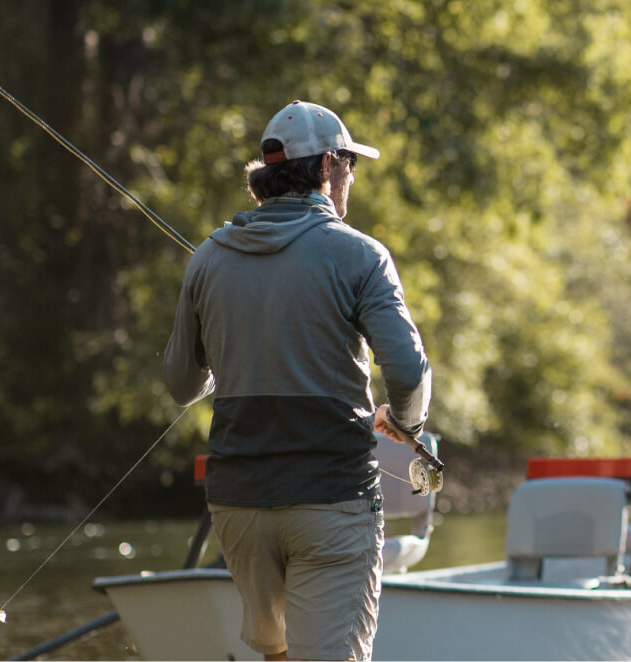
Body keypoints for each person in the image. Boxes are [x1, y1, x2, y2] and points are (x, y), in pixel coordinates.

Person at [163, 100, 431, 662]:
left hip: (238, 508)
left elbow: (181, 386)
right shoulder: (361, 255)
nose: (350, 180)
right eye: (350, 167)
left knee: (277, 656)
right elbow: (408, 371)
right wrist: (405, 425)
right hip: (331, 499)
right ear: (329, 166)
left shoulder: (207, 257)